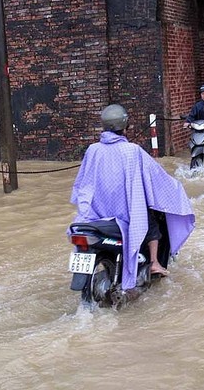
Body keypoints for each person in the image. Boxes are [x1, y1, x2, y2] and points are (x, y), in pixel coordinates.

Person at [71, 104, 195, 293]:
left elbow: (83, 182)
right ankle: (153, 262)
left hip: (96, 213)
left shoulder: (93, 150)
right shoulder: (132, 150)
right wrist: (174, 187)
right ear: (125, 126)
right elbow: (155, 176)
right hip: (125, 213)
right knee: (151, 221)